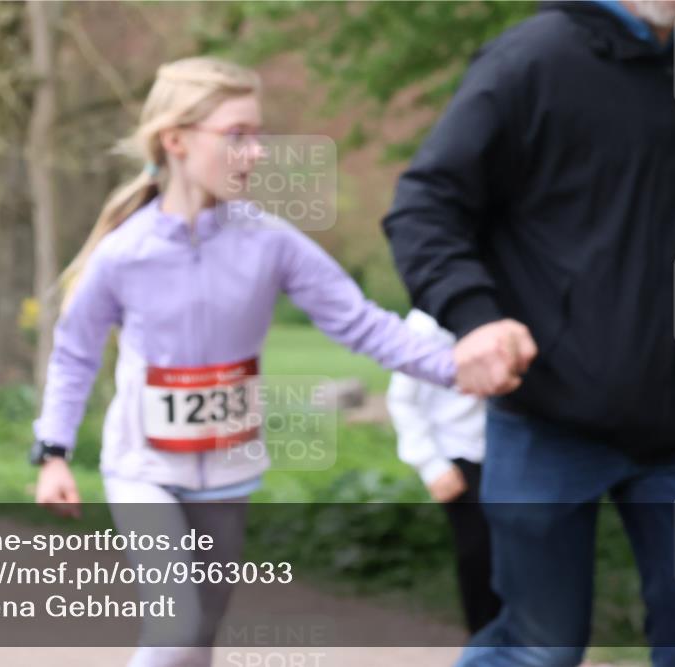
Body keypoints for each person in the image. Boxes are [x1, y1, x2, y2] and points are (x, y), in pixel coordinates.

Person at [28, 56, 521, 667]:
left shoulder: (271, 243)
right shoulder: (123, 255)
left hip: (229, 467)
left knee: (202, 629)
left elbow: (362, 323)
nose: (258, 152)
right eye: (238, 135)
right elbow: (74, 354)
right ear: (176, 140)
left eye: (259, 135)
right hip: (142, 467)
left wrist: (458, 367)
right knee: (177, 622)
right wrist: (53, 451)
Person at [381, 1, 675, 666]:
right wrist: (476, 315)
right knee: (538, 649)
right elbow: (425, 206)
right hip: (551, 418)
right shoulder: (534, 60)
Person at [386, 308, 501, 636]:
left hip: (514, 451)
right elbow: (403, 400)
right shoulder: (425, 324)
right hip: (459, 455)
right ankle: (485, 644)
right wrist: (430, 464)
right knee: (478, 553)